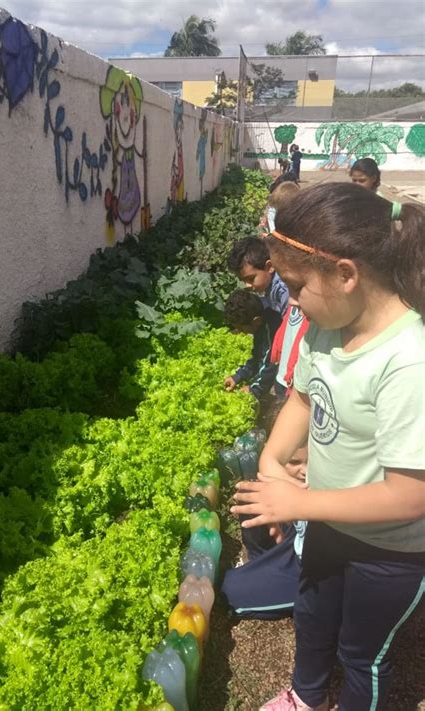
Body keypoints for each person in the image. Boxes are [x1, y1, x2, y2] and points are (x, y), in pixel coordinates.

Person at [231, 182, 425, 711]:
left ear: (345, 274)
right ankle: (306, 695)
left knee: (363, 652)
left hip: (390, 550)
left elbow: (411, 496)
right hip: (328, 523)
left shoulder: (409, 360)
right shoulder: (328, 328)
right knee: (315, 617)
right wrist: (273, 464)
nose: (289, 301)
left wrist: (298, 502)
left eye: (295, 286)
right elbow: (300, 400)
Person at [222, 419, 308, 620]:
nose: (304, 471)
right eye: (294, 462)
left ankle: (293, 594)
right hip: (297, 536)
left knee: (231, 590)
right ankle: (261, 558)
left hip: (311, 564)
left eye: (311, 463)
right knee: (253, 495)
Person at [223, 289, 282, 401]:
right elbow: (258, 356)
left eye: (241, 328)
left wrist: (255, 389)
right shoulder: (260, 325)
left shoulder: (272, 327)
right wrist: (238, 376)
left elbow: (272, 362)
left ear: (256, 321)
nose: (240, 332)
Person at [227, 236, 289, 317]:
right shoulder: (269, 287)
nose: (247, 285)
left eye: (251, 279)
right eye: (243, 280)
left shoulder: (283, 290)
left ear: (270, 267)